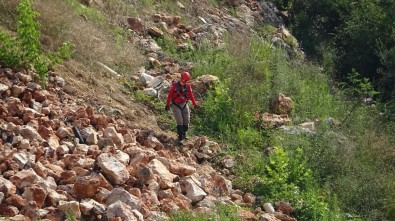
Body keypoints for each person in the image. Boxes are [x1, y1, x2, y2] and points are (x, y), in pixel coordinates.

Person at [165, 71, 198, 143]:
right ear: (181, 78)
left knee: (187, 119)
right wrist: (167, 105)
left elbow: (191, 95)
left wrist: (195, 104)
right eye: (183, 79)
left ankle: (184, 133)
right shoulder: (174, 85)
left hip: (184, 104)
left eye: (185, 80)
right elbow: (169, 95)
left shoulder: (187, 86)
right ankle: (180, 137)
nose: (183, 81)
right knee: (179, 120)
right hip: (175, 104)